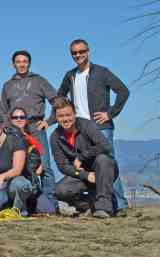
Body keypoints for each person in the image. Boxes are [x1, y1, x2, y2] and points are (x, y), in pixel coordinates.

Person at [57, 38, 130, 215]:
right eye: (74, 53)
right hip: (80, 129)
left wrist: (110, 113)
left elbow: (123, 91)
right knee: (90, 165)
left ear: (88, 52)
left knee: (107, 163)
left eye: (81, 51)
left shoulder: (102, 72)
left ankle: (119, 205)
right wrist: (52, 120)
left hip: (101, 126)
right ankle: (98, 202)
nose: (78, 55)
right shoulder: (70, 75)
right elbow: (60, 98)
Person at [0, 50, 58, 208]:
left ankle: (51, 204)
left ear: (29, 63)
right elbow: (3, 111)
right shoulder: (8, 85)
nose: (22, 64)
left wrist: (50, 120)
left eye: (25, 61)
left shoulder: (39, 81)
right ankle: (24, 203)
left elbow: (57, 100)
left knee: (44, 166)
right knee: (20, 166)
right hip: (16, 130)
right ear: (13, 64)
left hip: (35, 127)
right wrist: (7, 129)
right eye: (18, 61)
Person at [50, 97, 119, 219]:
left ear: (75, 114)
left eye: (68, 115)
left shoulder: (87, 125)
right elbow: (63, 166)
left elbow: (106, 146)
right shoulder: (55, 137)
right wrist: (85, 175)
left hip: (104, 170)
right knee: (60, 191)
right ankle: (90, 205)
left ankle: (104, 208)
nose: (65, 119)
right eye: (61, 116)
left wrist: (82, 156)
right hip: (81, 175)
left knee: (103, 159)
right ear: (56, 117)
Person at [8, 106, 55, 214]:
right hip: (16, 182)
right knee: (21, 185)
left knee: (49, 210)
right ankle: (18, 208)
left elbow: (42, 152)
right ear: (11, 120)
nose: (19, 119)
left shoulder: (31, 138)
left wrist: (40, 167)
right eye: (15, 117)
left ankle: (30, 203)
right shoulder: (7, 137)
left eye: (22, 117)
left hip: (32, 181)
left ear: (26, 120)